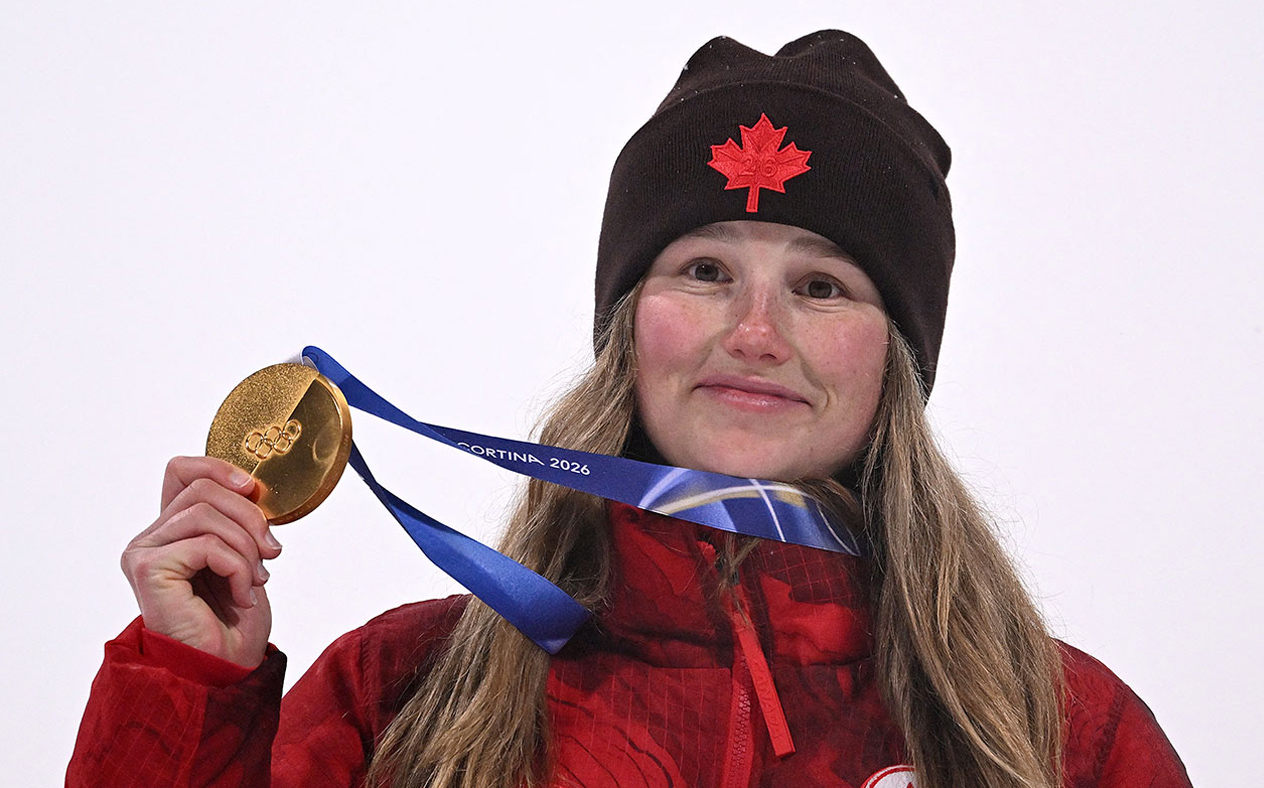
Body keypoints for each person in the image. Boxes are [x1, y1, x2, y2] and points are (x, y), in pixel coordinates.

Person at [69, 31, 1192, 788]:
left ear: (895, 358)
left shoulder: (1061, 736)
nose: (754, 331)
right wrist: (189, 695)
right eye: (704, 271)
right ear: (626, 328)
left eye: (821, 286)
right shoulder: (398, 694)